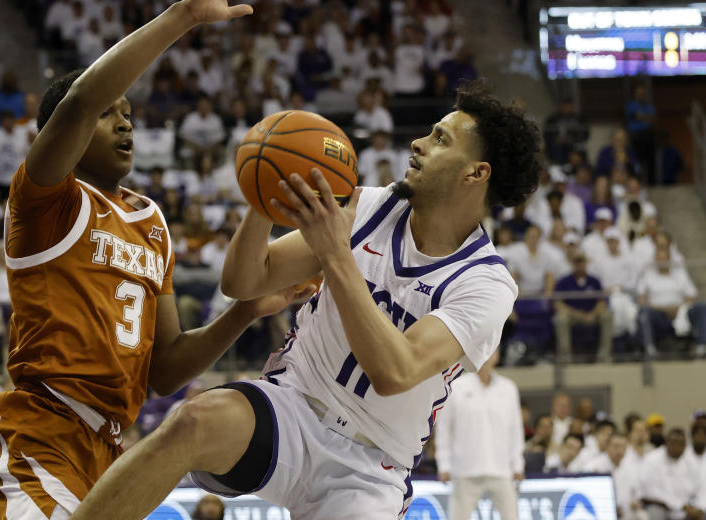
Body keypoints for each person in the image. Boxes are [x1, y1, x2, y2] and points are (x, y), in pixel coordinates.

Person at [71, 80, 544, 518]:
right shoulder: (371, 206)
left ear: (476, 173)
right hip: (292, 406)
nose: (419, 143)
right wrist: (263, 201)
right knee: (193, 419)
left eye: (441, 139)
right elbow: (244, 280)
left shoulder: (486, 284)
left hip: (370, 464)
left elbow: (395, 371)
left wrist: (335, 253)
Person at [0, 0, 311, 519]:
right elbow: (82, 100)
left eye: (129, 113)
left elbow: (166, 370)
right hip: (42, 430)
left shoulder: (151, 221)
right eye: (112, 113)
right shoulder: (44, 202)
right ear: (71, 132)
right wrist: (184, 15)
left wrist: (245, 313)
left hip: (110, 445)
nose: (125, 119)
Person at [435, 349, 524, 520]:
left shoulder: (508, 388)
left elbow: (515, 429)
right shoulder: (456, 387)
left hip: (501, 468)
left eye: (492, 350)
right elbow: (444, 429)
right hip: (465, 469)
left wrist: (518, 465)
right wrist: (444, 464)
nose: (487, 354)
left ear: (497, 356)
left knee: (512, 516)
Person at [552, 251, 613, 363]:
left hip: (592, 314)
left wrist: (593, 314)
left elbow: (602, 301)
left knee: (607, 315)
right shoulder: (564, 281)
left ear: (586, 263)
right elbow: (557, 303)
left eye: (582, 262)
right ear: (573, 264)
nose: (580, 265)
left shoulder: (594, 281)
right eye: (577, 262)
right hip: (573, 315)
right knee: (561, 318)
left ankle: (604, 355)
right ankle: (565, 357)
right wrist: (578, 314)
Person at [638, 428, 701, 520]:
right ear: (666, 443)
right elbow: (651, 491)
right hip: (661, 506)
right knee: (655, 513)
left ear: (685, 446)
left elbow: (698, 488)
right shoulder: (652, 459)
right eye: (674, 443)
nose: (677, 447)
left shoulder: (691, 460)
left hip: (686, 508)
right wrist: (681, 506)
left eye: (681, 444)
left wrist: (697, 507)